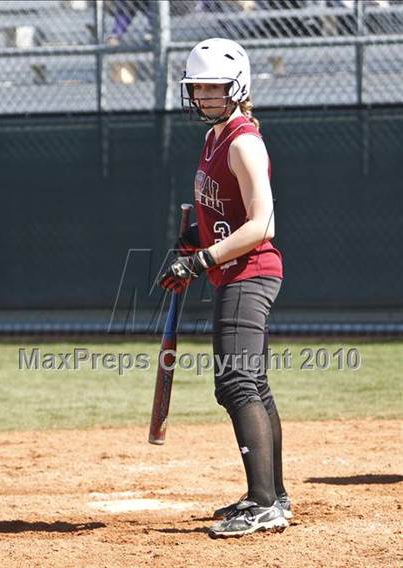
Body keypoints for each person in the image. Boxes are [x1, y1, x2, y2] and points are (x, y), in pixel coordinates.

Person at [158, 37, 291, 538]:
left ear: (237, 87)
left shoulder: (242, 141)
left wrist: (203, 261)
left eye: (213, 87)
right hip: (230, 270)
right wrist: (192, 244)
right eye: (198, 88)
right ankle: (270, 495)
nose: (204, 96)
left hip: (251, 270)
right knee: (250, 384)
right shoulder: (213, 138)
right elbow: (222, 216)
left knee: (235, 383)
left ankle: (264, 504)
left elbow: (263, 224)